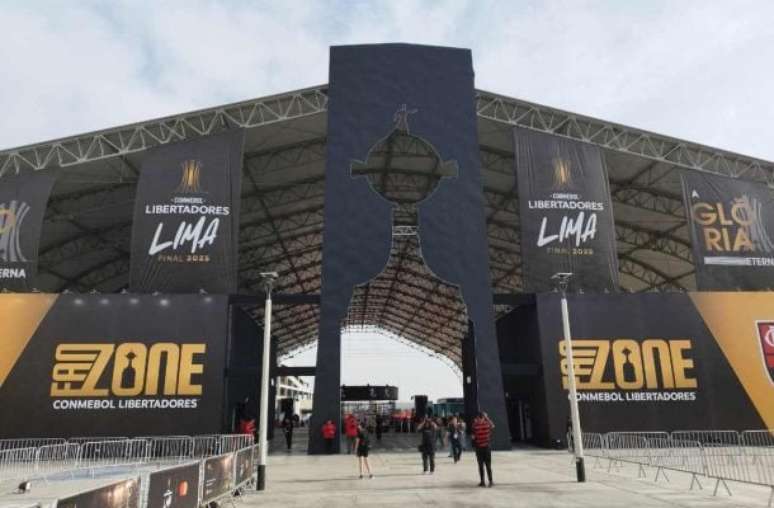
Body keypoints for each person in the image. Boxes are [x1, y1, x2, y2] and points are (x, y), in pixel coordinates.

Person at [472, 411, 495, 487]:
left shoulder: (475, 425)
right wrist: (486, 417)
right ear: (483, 417)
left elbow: (473, 436)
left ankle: (482, 482)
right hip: (487, 447)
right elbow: (493, 426)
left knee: (480, 465)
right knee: (488, 465)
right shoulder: (486, 424)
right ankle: (490, 481)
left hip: (479, 448)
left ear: (478, 417)